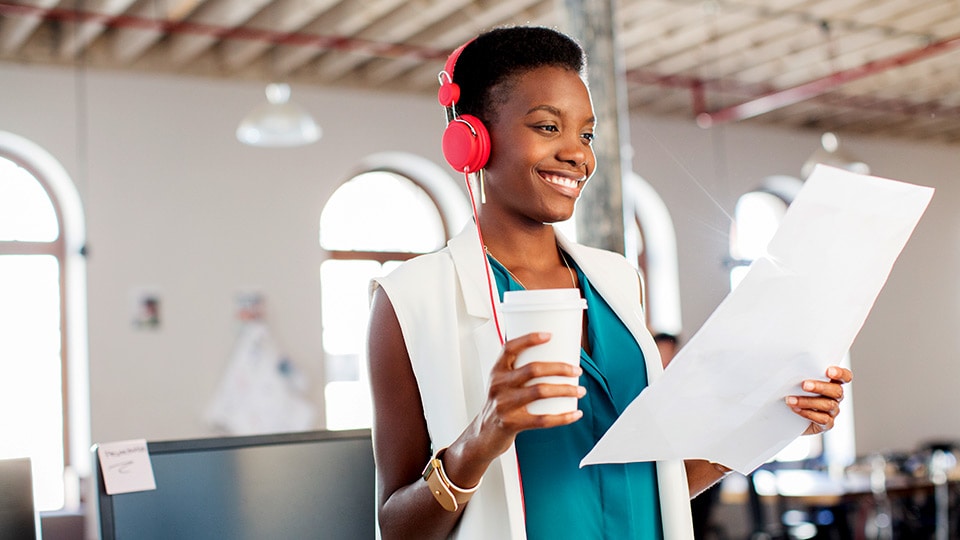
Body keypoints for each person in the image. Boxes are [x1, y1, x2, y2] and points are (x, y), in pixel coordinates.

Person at [366, 26, 852, 540]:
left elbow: (655, 486)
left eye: (587, 134)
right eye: (548, 127)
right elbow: (397, 527)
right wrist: (482, 439)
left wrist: (776, 417)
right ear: (473, 139)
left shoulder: (618, 281)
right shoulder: (408, 299)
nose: (578, 154)